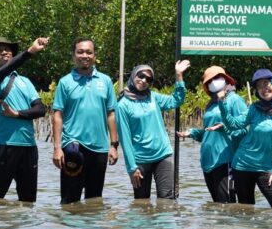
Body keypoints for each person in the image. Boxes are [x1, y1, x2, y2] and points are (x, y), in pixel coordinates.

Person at [52, 38, 119, 204]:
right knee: (69, 201)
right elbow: (57, 115)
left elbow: (111, 114)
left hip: (99, 147)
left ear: (95, 55)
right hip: (73, 144)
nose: (85, 55)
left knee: (95, 200)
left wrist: (114, 146)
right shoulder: (65, 82)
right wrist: (57, 148)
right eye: (80, 51)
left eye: (89, 52)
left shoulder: (105, 81)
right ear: (74, 55)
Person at [217, 69, 272, 209]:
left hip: (267, 169)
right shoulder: (254, 108)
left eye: (266, 83)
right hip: (242, 165)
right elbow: (234, 125)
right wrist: (222, 104)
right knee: (245, 210)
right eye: (259, 86)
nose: (264, 89)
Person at [0, 35, 48, 202]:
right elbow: (9, 67)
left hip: (29, 147)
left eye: (8, 49)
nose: (5, 52)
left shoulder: (25, 81)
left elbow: (40, 109)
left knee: (28, 201)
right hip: (4, 145)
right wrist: (31, 51)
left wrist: (17, 114)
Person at [116, 60, 190, 200]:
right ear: (133, 75)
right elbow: (125, 140)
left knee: (167, 199)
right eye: (141, 76)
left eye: (148, 79)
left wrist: (179, 75)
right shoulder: (123, 105)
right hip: (140, 161)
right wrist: (132, 168)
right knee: (141, 203)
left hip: (163, 154)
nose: (144, 80)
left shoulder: (153, 97)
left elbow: (177, 100)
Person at [177, 66, 247, 203]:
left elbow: (245, 130)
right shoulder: (211, 104)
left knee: (226, 206)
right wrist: (192, 133)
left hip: (226, 160)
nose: (214, 82)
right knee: (216, 206)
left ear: (225, 79)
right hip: (208, 161)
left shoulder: (235, 100)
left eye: (217, 78)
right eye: (210, 81)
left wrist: (225, 128)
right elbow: (208, 132)